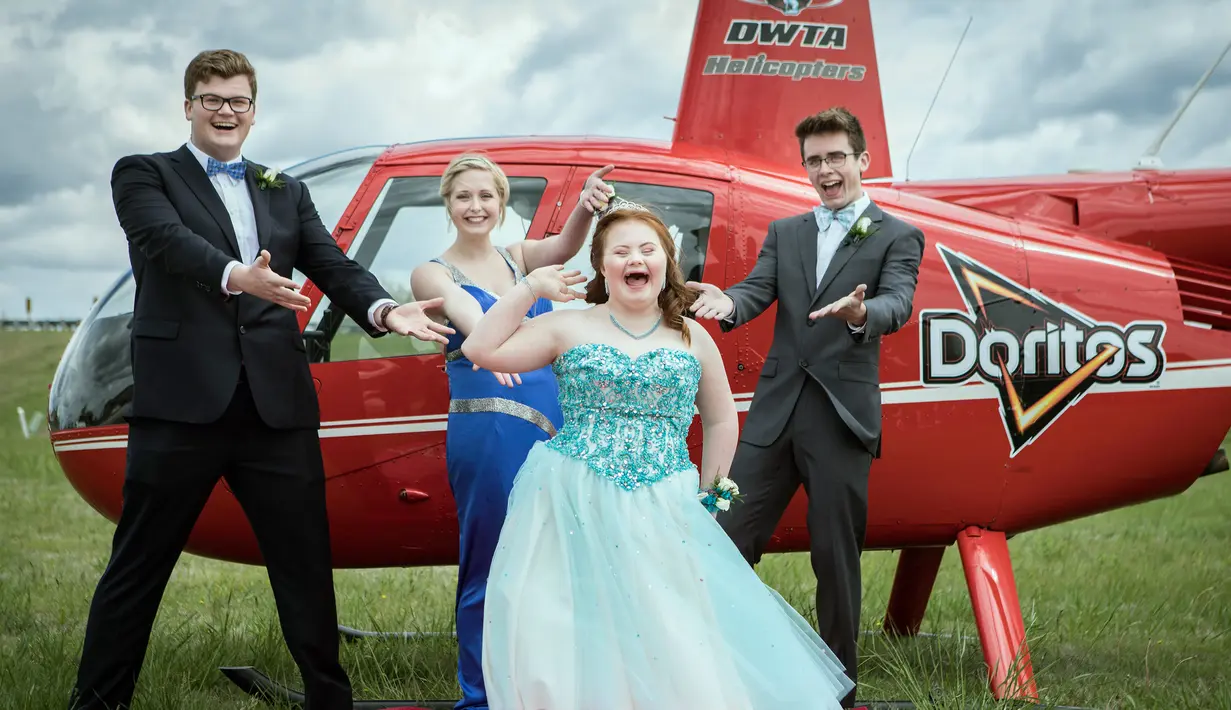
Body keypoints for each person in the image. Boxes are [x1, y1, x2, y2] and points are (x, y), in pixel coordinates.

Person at [67, 49, 453, 710]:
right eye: (212, 99)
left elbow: (332, 263)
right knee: (138, 568)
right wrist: (235, 275)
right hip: (180, 407)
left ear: (254, 110)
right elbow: (162, 241)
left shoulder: (284, 189)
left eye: (238, 100)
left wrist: (385, 308)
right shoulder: (144, 174)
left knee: (304, 567)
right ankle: (98, 702)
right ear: (187, 106)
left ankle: (328, 699)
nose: (225, 111)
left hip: (276, 408)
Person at [460, 199, 856, 709]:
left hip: (664, 499)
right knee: (572, 623)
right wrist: (530, 287)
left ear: (667, 263)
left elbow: (719, 418)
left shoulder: (692, 337)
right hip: (570, 494)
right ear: (603, 265)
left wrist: (712, 494)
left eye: (647, 249)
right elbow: (481, 349)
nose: (634, 259)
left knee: (668, 623)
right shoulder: (569, 327)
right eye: (620, 251)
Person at [687, 106, 925, 708]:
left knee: (834, 560)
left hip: (841, 420)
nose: (825, 170)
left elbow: (898, 303)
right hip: (771, 415)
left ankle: (838, 694)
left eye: (836, 157)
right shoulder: (786, 232)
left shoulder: (898, 234)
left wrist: (861, 313)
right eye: (814, 161)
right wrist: (728, 304)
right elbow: (756, 290)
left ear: (862, 161)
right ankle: (712, 674)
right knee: (721, 534)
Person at [409, 154, 612, 710]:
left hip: (559, 420)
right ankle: (482, 694)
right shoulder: (433, 271)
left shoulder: (519, 255)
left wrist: (584, 206)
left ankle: (552, 684)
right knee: (492, 556)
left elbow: (566, 247)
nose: (475, 206)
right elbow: (467, 319)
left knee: (557, 553)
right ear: (447, 203)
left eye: (486, 196)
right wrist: (492, 339)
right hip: (489, 425)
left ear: (502, 203)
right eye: (463, 196)